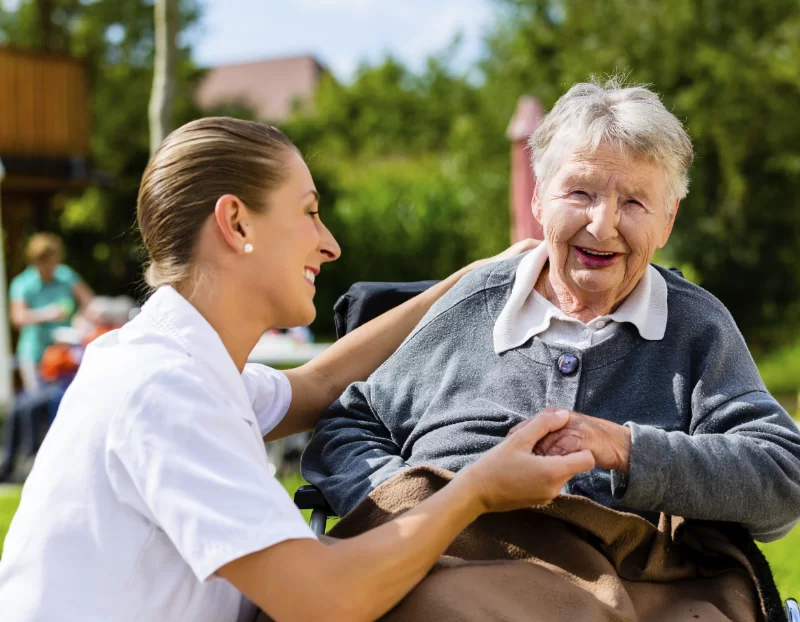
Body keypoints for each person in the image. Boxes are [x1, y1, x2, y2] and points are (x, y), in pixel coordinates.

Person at [0, 117, 595, 622]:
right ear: (236, 223)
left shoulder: (170, 361)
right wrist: (478, 490)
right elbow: (326, 599)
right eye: (309, 213)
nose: (330, 244)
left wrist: (468, 282)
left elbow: (318, 384)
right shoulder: (165, 389)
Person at [301, 78, 800, 542]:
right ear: (538, 199)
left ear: (667, 221)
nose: (602, 225)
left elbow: (784, 474)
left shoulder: (696, 328)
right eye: (580, 192)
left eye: (633, 203)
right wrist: (411, 511)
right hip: (442, 572)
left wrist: (623, 448)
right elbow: (349, 425)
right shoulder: (471, 307)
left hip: (622, 592)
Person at [8, 233, 95, 391]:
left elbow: (88, 300)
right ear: (36, 261)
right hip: (35, 355)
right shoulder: (22, 284)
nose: (52, 266)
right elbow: (17, 317)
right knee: (38, 400)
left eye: (55, 261)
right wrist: (47, 314)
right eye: (47, 262)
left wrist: (80, 317)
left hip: (64, 353)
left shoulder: (65, 275)